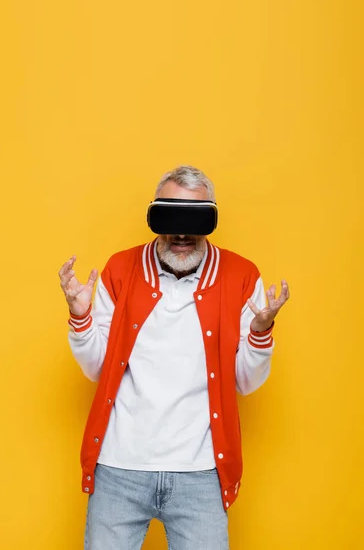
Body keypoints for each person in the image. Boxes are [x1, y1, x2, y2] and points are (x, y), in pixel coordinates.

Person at [58, 165, 290, 550]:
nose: (181, 233)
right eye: (171, 216)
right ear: (154, 216)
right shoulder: (120, 269)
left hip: (200, 473)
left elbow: (247, 382)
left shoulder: (241, 275)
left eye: (193, 219)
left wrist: (260, 332)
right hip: (120, 467)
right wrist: (81, 318)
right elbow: (98, 368)